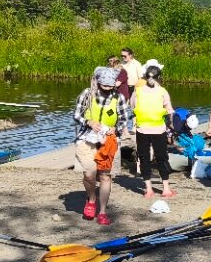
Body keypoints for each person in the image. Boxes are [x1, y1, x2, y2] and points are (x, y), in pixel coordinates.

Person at [73, 66, 133, 225]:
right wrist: (89, 122)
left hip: (108, 141)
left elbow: (124, 119)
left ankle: (102, 212)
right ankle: (91, 198)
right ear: (98, 82)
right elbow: (76, 115)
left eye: (110, 86)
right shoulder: (87, 94)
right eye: (104, 86)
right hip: (87, 138)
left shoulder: (118, 97)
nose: (107, 89)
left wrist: (117, 128)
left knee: (105, 176)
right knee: (89, 173)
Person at [131, 63, 176, 198]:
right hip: (156, 130)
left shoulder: (137, 91)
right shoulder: (162, 91)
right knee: (161, 158)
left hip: (144, 129)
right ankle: (165, 189)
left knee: (144, 158)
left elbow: (132, 107)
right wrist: (171, 128)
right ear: (159, 77)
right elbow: (169, 112)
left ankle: (149, 189)